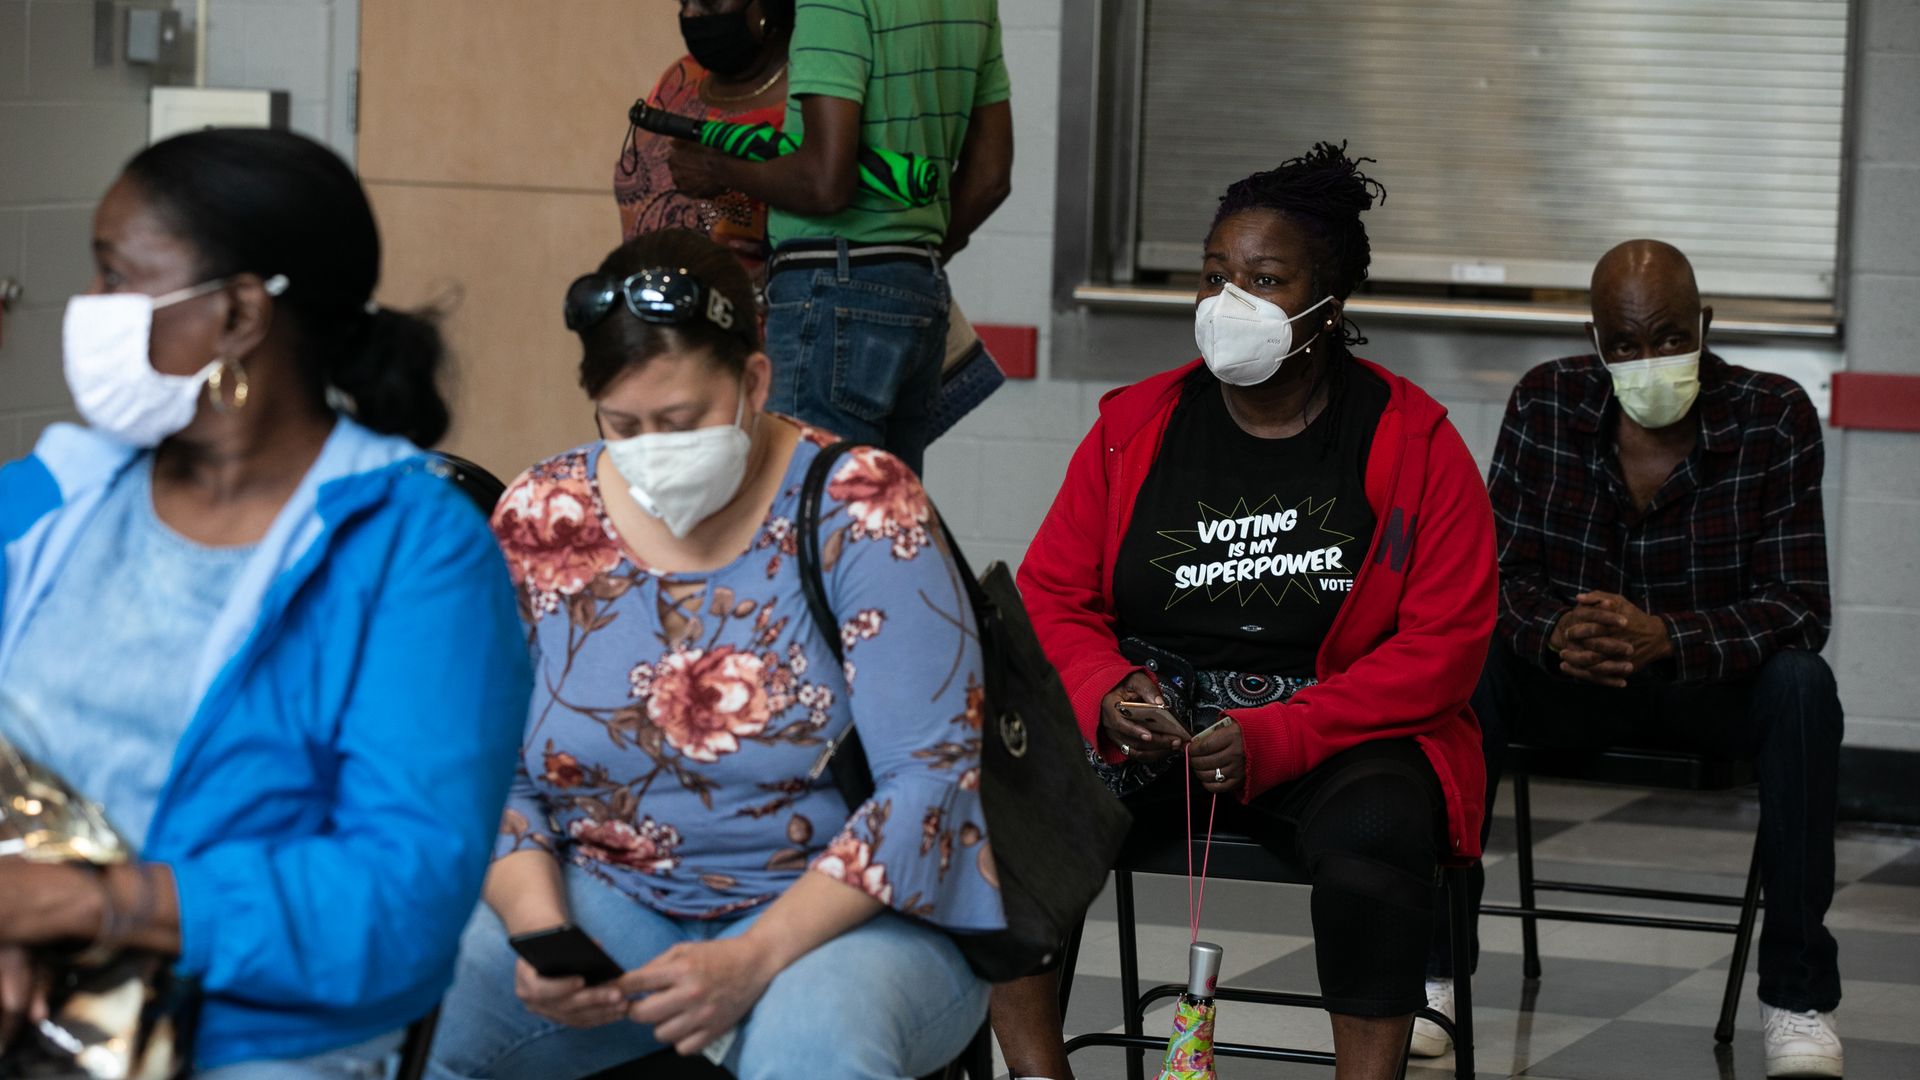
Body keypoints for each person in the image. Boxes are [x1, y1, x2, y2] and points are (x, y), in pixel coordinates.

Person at [0, 129, 531, 1076]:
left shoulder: (413, 553)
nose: (88, 305)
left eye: (117, 277)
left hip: (254, 1041)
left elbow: (400, 898)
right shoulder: (57, 497)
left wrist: (89, 907)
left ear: (240, 313)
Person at [427, 229, 1002, 1080]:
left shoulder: (863, 508)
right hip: (617, 896)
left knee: (812, 1048)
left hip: (852, 913)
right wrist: (538, 931)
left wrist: (750, 960)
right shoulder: (546, 514)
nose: (653, 448)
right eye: (624, 424)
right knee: (411, 1002)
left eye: (682, 420)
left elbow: (928, 787)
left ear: (754, 382)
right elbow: (491, 772)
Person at [993, 144, 1496, 1080]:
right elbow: (1052, 596)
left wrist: (1282, 733)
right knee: (1004, 800)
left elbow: (1445, 647)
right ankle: (1037, 1073)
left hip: (1332, 728)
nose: (1230, 302)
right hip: (1154, 725)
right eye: (1215, 275)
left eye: (1265, 281)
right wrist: (1108, 688)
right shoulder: (1134, 426)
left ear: (1329, 305)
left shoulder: (1415, 441)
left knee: (1381, 833)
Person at [1421, 239, 1845, 1078]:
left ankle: (1797, 1000)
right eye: (1624, 343)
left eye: (1670, 337)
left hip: (1707, 692)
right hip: (1570, 686)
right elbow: (1496, 575)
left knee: (1805, 685)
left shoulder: (1774, 415)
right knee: (1465, 671)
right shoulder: (1547, 401)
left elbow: (1799, 605)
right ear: (1595, 340)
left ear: (1705, 325)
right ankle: (1432, 977)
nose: (1649, 360)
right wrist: (1555, 633)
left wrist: (1670, 636)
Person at [666, 0, 1015, 474]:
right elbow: (991, 177)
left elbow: (825, 182)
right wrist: (906, 257)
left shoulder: (833, 2)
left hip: (832, 290)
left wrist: (715, 168)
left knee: (812, 501)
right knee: (880, 510)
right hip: (919, 289)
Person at [616, 0, 794, 279]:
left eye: (709, 3)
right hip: (650, 298)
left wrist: (785, 272)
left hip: (753, 304)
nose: (690, 15)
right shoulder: (682, 77)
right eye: (685, 2)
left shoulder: (812, 101)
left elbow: (827, 190)